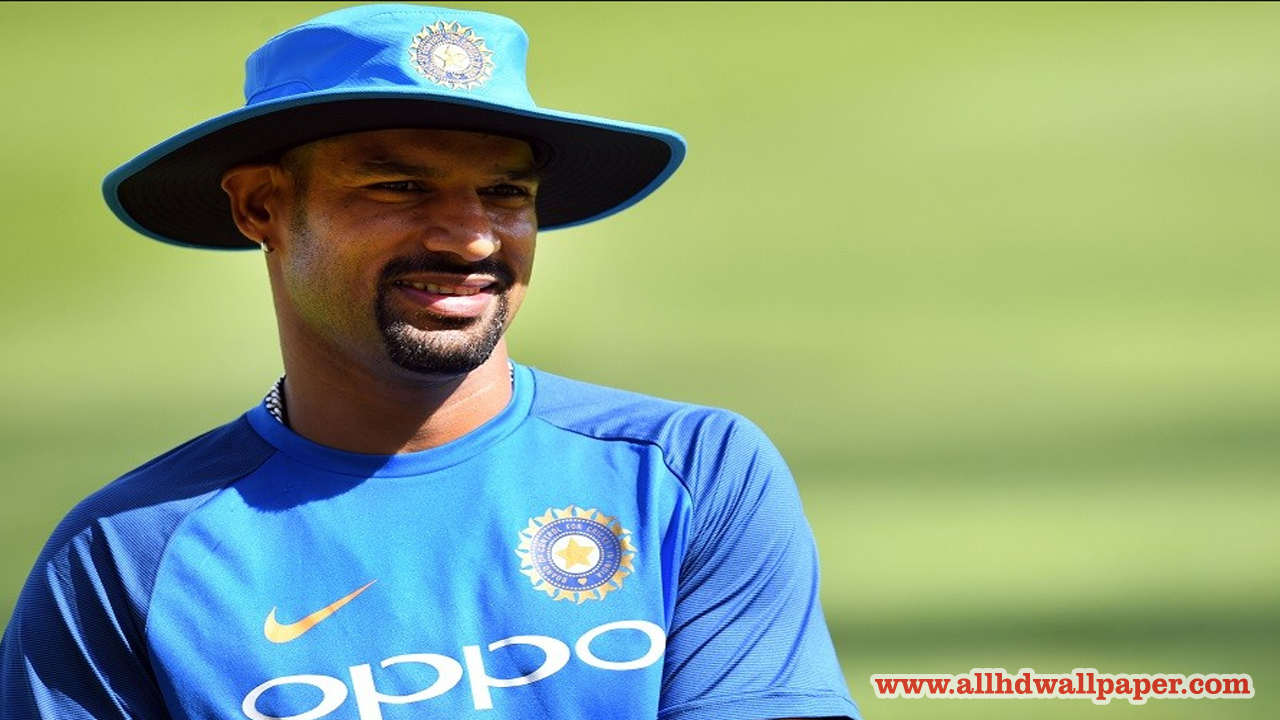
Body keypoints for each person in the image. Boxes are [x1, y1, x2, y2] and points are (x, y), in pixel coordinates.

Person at [0, 4, 859, 719]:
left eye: (505, 192)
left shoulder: (688, 473)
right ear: (262, 206)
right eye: (400, 187)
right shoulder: (126, 555)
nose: (472, 237)